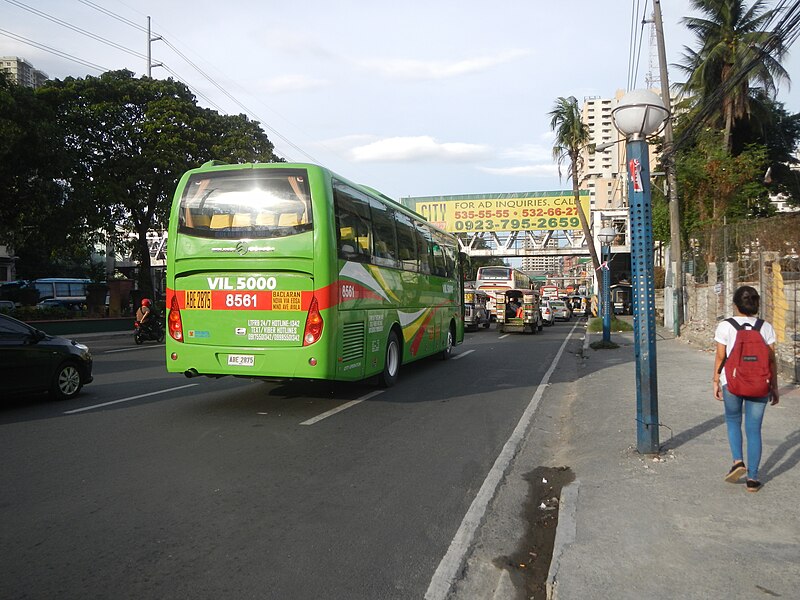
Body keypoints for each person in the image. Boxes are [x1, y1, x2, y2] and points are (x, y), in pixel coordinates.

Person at [713, 285, 779, 492]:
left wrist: (715, 379)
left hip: (731, 382)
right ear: (757, 304)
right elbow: (771, 360)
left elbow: (720, 356)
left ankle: (737, 461)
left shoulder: (725, 326)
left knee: (733, 420)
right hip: (760, 384)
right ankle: (753, 478)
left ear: (735, 304)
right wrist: (774, 386)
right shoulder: (765, 327)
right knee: (754, 429)